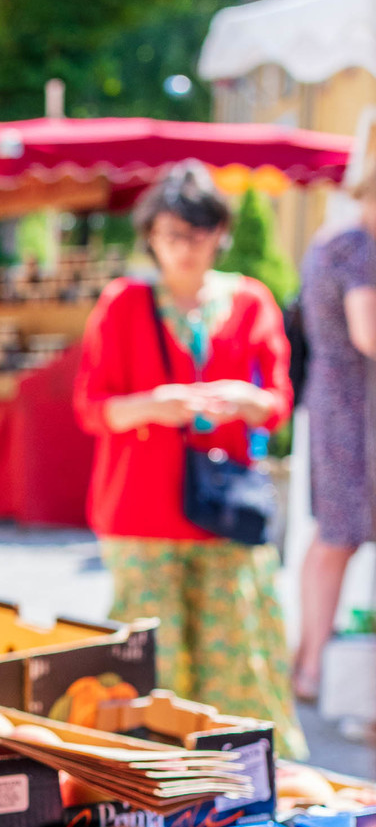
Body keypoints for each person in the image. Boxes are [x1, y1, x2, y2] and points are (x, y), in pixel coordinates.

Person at [73, 160, 299, 741]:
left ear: (220, 234)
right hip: (141, 512)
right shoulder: (123, 303)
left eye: (199, 233)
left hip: (225, 512)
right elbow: (92, 408)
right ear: (151, 236)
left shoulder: (251, 301)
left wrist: (243, 399)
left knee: (239, 665)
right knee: (152, 672)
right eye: (173, 234)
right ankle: (149, 787)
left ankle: (249, 785)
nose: (187, 248)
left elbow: (277, 404)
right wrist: (155, 403)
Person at [291, 166, 376, 699]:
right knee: (337, 535)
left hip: (344, 405)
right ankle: (315, 666)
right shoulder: (357, 245)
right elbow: (369, 332)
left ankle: (312, 662)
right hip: (352, 410)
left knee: (333, 535)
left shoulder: (344, 238)